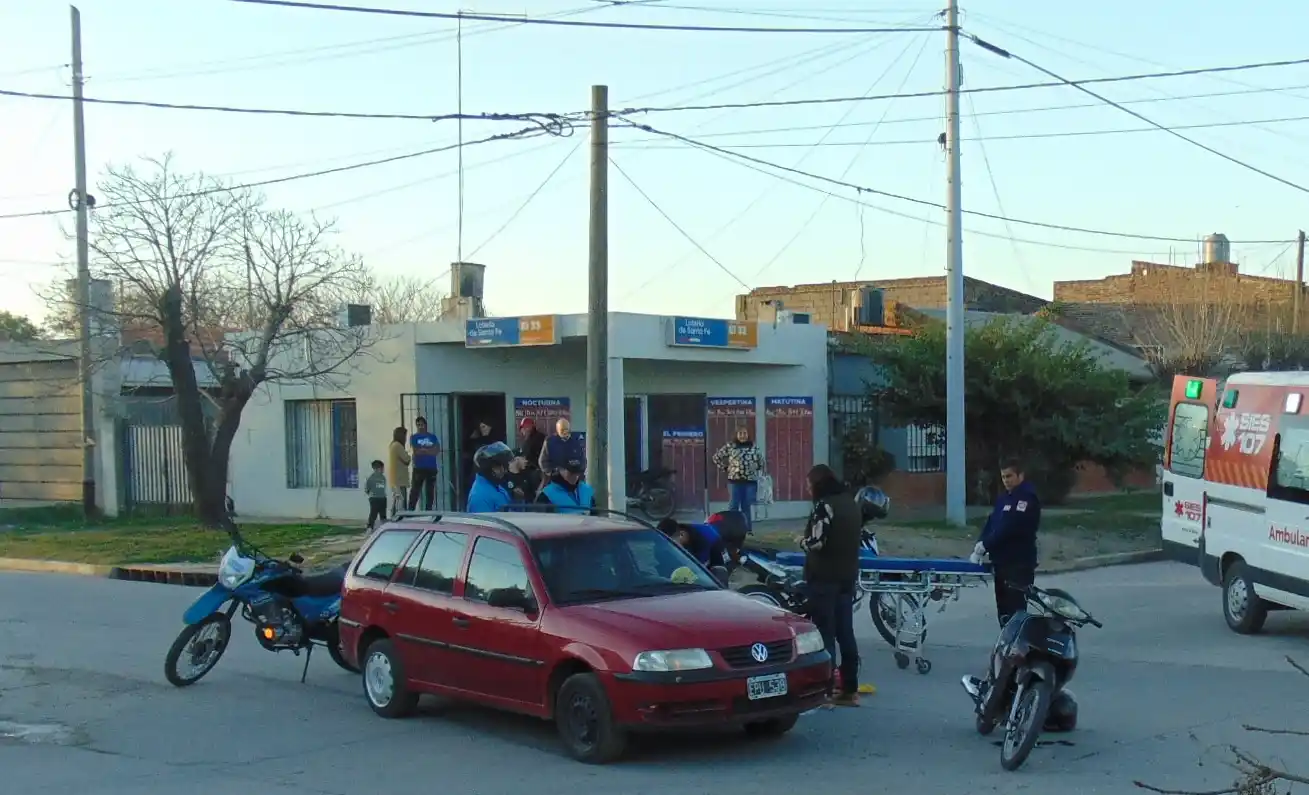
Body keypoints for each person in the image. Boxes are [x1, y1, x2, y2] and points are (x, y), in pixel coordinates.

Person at [800, 464, 862, 707]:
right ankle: (850, 689)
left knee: (824, 633)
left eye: (809, 484)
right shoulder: (850, 503)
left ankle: (825, 691)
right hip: (847, 576)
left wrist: (801, 541)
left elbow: (817, 542)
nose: (807, 488)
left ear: (818, 484)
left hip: (824, 577)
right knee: (845, 633)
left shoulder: (824, 506)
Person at [972, 457, 1042, 628]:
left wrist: (986, 545)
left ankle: (1019, 649)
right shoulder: (1005, 498)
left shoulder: (1027, 498)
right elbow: (993, 522)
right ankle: (1007, 648)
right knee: (1003, 611)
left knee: (1016, 611)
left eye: (1009, 476)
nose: (1006, 481)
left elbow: (1011, 526)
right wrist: (980, 543)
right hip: (1001, 563)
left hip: (1018, 563)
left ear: (1020, 475)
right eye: (1003, 477)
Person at [711, 425, 766, 533]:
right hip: (735, 481)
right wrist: (725, 467)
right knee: (734, 506)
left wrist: (755, 469)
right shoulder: (731, 446)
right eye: (740, 433)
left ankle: (747, 530)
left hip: (750, 482)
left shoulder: (753, 447)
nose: (742, 436)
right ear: (736, 435)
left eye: (744, 433)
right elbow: (716, 457)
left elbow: (761, 461)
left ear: (748, 435)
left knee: (746, 506)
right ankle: (732, 528)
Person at [658, 517, 730, 569]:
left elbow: (698, 570)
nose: (667, 547)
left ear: (682, 535)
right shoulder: (663, 540)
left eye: (670, 544)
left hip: (715, 551)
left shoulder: (703, 540)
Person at [466, 442, 515, 513]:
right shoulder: (480, 497)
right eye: (498, 467)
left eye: (503, 466)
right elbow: (483, 523)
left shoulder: (496, 487)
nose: (504, 471)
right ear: (488, 469)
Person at [408, 417, 442, 511]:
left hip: (431, 467)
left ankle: (429, 510)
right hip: (419, 467)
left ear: (425, 425)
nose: (420, 427)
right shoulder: (414, 437)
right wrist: (429, 450)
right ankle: (411, 510)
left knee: (430, 491)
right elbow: (416, 452)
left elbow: (436, 451)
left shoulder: (432, 437)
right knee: (415, 490)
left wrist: (424, 450)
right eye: (418, 425)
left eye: (422, 424)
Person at [517, 417, 548, 495]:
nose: (522, 431)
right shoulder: (541, 437)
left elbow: (526, 456)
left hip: (535, 472)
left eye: (523, 428)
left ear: (528, 428)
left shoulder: (531, 440)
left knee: (533, 496)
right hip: (545, 472)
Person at [386, 426, 411, 517]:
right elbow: (407, 459)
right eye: (405, 435)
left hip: (394, 479)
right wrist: (409, 454)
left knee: (396, 501)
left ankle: (393, 518)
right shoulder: (398, 446)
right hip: (399, 479)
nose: (406, 438)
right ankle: (399, 519)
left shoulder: (392, 445)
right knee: (401, 501)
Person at [364, 459, 388, 529]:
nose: (383, 470)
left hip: (383, 498)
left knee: (383, 515)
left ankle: (384, 527)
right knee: (373, 514)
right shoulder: (371, 478)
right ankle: (369, 527)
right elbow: (367, 489)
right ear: (376, 469)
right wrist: (372, 495)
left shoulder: (383, 477)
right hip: (374, 499)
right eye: (382, 468)